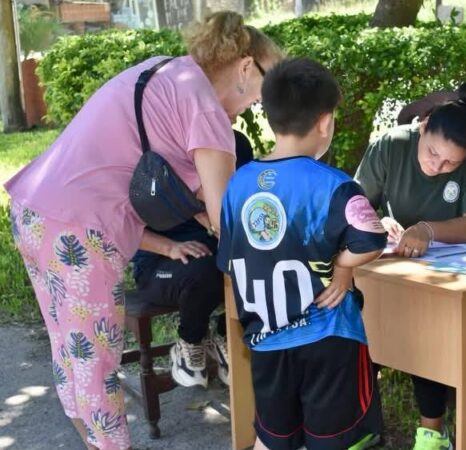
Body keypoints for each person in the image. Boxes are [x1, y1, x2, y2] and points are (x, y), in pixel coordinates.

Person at [4, 11, 281, 450]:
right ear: (247, 68)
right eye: (267, 89)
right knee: (95, 363)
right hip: (78, 228)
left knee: (73, 355)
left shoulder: (166, 71)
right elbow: (228, 216)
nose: (261, 104)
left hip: (36, 210)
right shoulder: (206, 108)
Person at [217, 57, 387, 450]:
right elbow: (372, 238)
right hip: (327, 339)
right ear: (325, 122)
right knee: (330, 441)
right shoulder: (335, 185)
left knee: (273, 438)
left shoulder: (238, 185)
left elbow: (228, 261)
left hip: (265, 341)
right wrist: (343, 266)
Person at [354, 82, 466, 450]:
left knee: (432, 334)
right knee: (362, 328)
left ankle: (432, 432)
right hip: (395, 263)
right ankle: (360, 425)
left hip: (454, 269)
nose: (438, 167)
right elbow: (356, 204)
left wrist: (428, 230)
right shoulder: (391, 144)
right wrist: (376, 223)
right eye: (432, 153)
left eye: (451, 162)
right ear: (423, 127)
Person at [130, 129, 254, 388]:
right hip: (160, 261)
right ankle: (189, 341)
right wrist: (169, 247)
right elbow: (120, 224)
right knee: (204, 269)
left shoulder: (236, 145)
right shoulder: (154, 150)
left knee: (265, 259)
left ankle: (223, 334)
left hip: (216, 249)